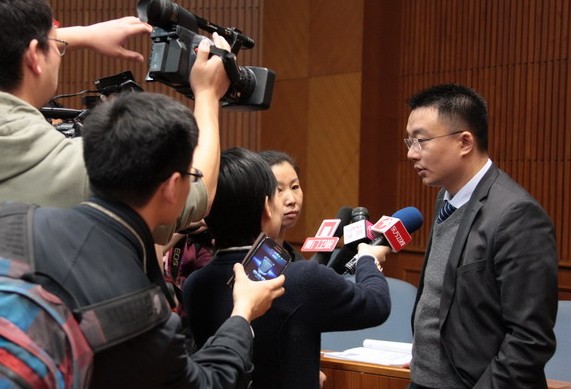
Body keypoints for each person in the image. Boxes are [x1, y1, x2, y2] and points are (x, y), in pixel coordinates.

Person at [4, 91, 286, 388]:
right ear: (173, 187)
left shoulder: (13, 219)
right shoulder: (138, 308)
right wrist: (242, 313)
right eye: (193, 175)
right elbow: (204, 384)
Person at [0, 0, 229, 244]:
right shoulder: (79, 167)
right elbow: (194, 195)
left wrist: (82, 35)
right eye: (58, 46)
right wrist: (207, 95)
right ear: (35, 55)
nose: (59, 51)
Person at [183, 147, 392, 389]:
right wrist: (367, 258)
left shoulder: (195, 284)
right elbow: (377, 304)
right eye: (277, 193)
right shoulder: (301, 278)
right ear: (267, 208)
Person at [404, 83, 558, 388]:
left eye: (421, 141)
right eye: (408, 141)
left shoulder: (516, 215)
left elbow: (529, 340)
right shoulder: (447, 199)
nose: (411, 154)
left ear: (464, 142)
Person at [258, 150, 305, 261]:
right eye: (279, 190)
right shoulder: (244, 261)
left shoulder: (297, 259)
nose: (292, 200)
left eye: (294, 187)